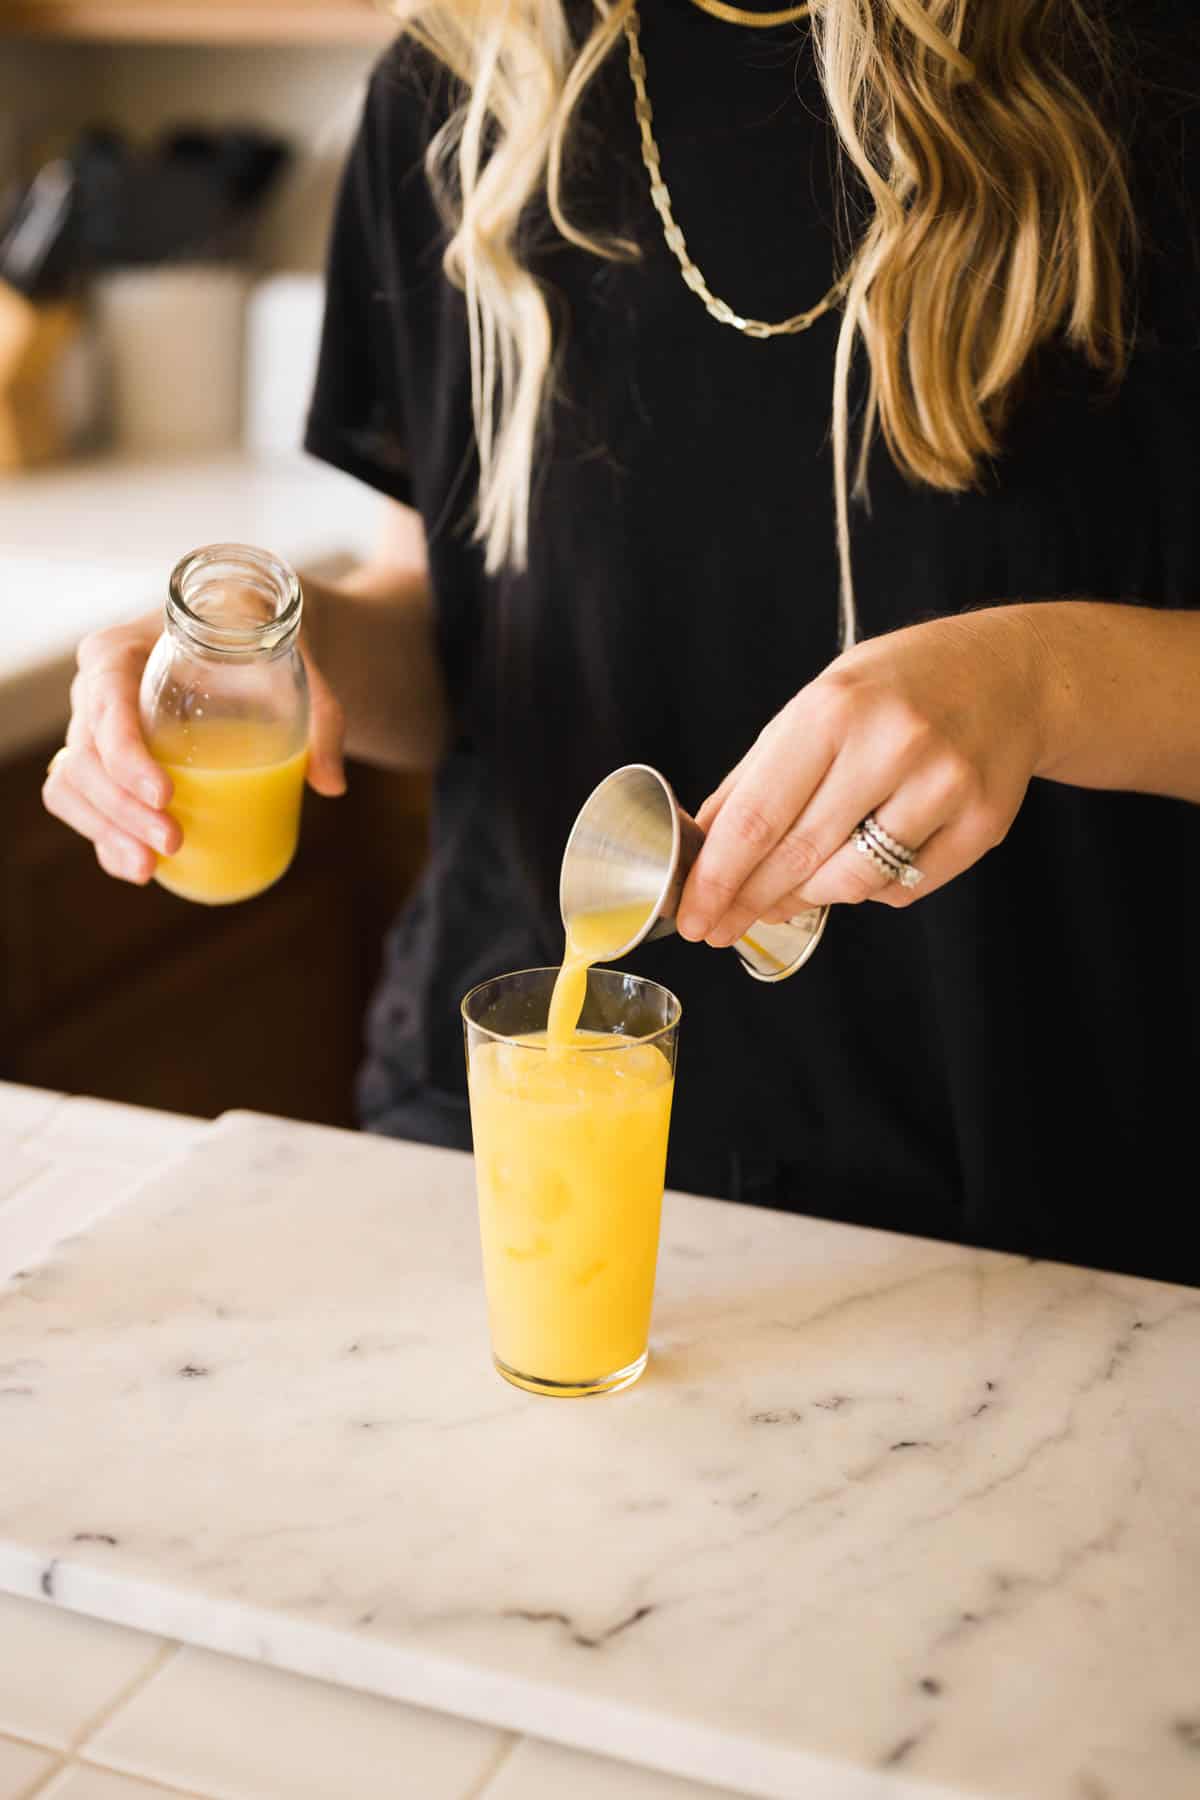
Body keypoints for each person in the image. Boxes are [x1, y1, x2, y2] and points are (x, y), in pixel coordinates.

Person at [44, 0, 1200, 1285]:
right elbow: (440, 630)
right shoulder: (462, 86)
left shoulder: (1133, 67)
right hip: (506, 1149)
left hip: (1051, 1183)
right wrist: (272, 665)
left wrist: (1035, 685)